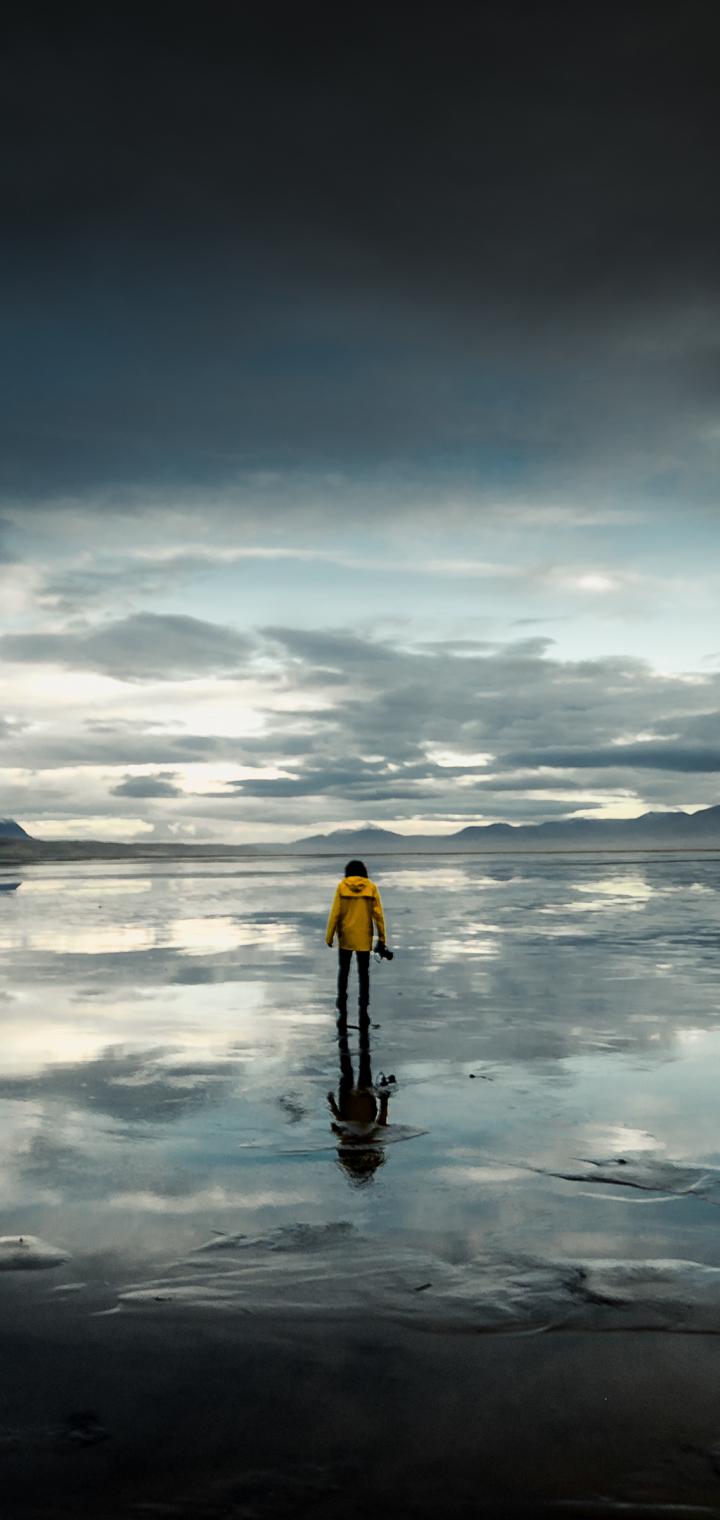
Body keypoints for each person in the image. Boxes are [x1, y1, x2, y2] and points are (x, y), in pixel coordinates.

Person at [325, 858, 387, 1020]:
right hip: (364, 938)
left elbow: (335, 913)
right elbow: (378, 916)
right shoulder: (371, 888)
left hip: (345, 937)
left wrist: (329, 936)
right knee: (363, 973)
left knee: (343, 971)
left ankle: (341, 1001)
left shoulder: (341, 887)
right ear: (363, 872)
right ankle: (364, 1004)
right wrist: (382, 939)